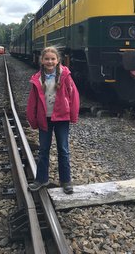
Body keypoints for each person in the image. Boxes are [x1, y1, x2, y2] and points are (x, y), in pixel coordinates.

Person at [26, 46, 80, 194]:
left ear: (57, 61)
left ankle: (66, 180)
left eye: (52, 59)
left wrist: (73, 115)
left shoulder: (65, 76)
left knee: (63, 149)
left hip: (62, 118)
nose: (50, 61)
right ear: (42, 61)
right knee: (43, 150)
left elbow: (73, 96)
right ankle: (41, 179)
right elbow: (32, 102)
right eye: (47, 59)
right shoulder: (37, 79)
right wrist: (33, 119)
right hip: (45, 119)